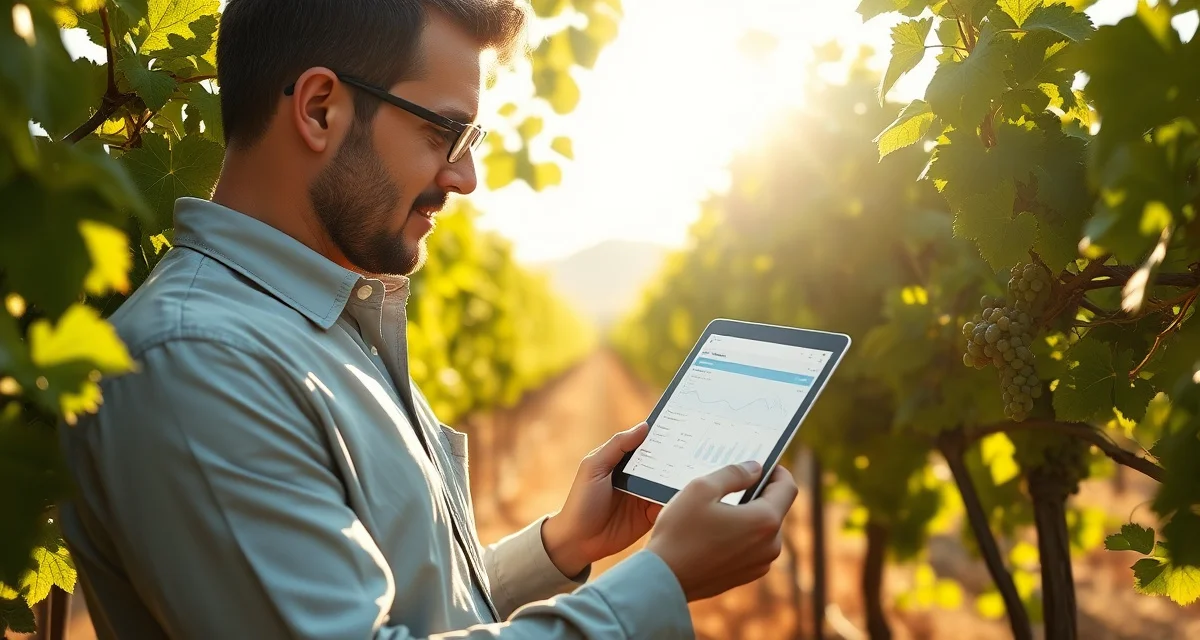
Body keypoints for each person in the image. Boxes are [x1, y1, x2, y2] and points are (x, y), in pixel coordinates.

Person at [56, 1, 800, 638]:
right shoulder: (197, 361)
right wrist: (660, 583)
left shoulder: (323, 325)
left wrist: (560, 545)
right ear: (320, 109)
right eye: (444, 132)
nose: (464, 177)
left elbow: (399, 616)